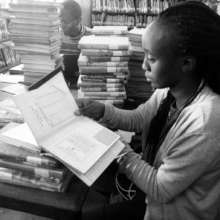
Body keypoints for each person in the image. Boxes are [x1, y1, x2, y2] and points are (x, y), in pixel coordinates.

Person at [76, 1, 220, 219]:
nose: (143, 66)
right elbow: (138, 118)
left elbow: (160, 188)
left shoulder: (204, 121)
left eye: (151, 58)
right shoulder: (170, 91)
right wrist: (102, 110)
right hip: (151, 197)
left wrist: (116, 148)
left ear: (187, 63)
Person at [59, 0, 90, 89]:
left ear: (78, 21)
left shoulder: (91, 38)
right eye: (60, 20)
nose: (61, 25)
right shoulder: (56, 38)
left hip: (85, 87)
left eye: (65, 21)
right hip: (63, 87)